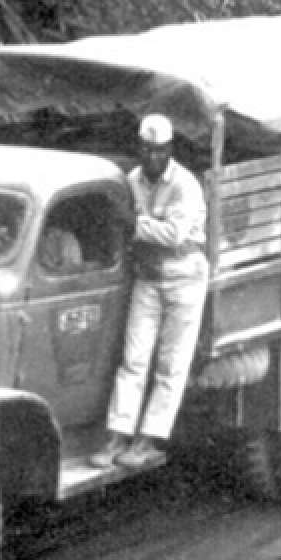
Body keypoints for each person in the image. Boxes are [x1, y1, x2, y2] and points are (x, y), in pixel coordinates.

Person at [94, 113, 210, 470]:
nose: (151, 157)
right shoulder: (133, 180)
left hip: (183, 275)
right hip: (149, 275)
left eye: (158, 151)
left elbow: (174, 234)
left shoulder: (185, 185)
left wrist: (135, 224)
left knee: (170, 365)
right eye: (145, 150)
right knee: (134, 359)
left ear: (169, 150)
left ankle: (149, 440)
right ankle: (118, 433)